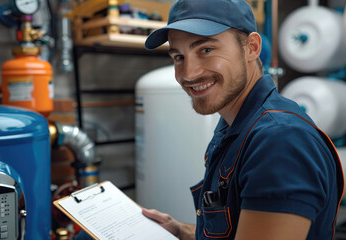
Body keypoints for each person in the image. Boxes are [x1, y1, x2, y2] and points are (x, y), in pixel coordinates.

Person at [142, 0, 345, 239]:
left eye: (206, 50)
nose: (189, 73)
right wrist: (183, 232)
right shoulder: (235, 126)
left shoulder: (279, 141)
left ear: (251, 47)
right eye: (179, 57)